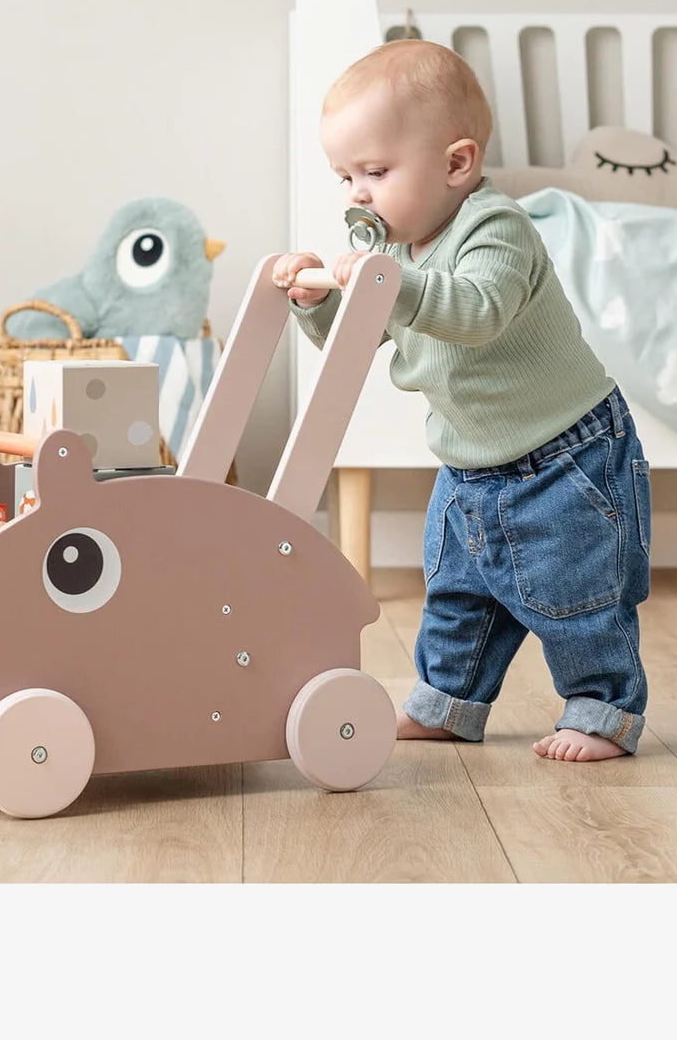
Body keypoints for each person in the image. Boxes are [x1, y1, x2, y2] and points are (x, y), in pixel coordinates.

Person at [274, 40, 651, 761]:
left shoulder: (495, 228)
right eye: (346, 176)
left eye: (375, 172)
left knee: (578, 594)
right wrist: (312, 301)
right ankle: (448, 702)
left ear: (456, 164)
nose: (356, 194)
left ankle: (603, 709)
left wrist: (389, 281)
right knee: (457, 592)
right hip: (470, 465)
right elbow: (355, 335)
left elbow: (478, 309)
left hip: (568, 456)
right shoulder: (398, 253)